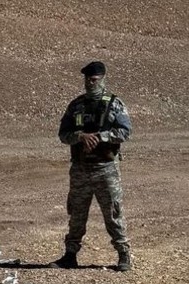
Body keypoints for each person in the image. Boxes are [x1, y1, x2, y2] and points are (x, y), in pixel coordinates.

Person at [51, 61, 133, 272]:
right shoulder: (76, 105)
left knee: (113, 212)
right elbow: (63, 135)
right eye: (87, 79)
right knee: (77, 213)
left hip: (105, 168)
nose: (90, 83)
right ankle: (70, 255)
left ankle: (124, 254)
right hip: (80, 168)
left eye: (94, 79)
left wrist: (101, 136)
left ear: (103, 79)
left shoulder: (114, 104)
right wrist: (80, 136)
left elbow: (125, 132)